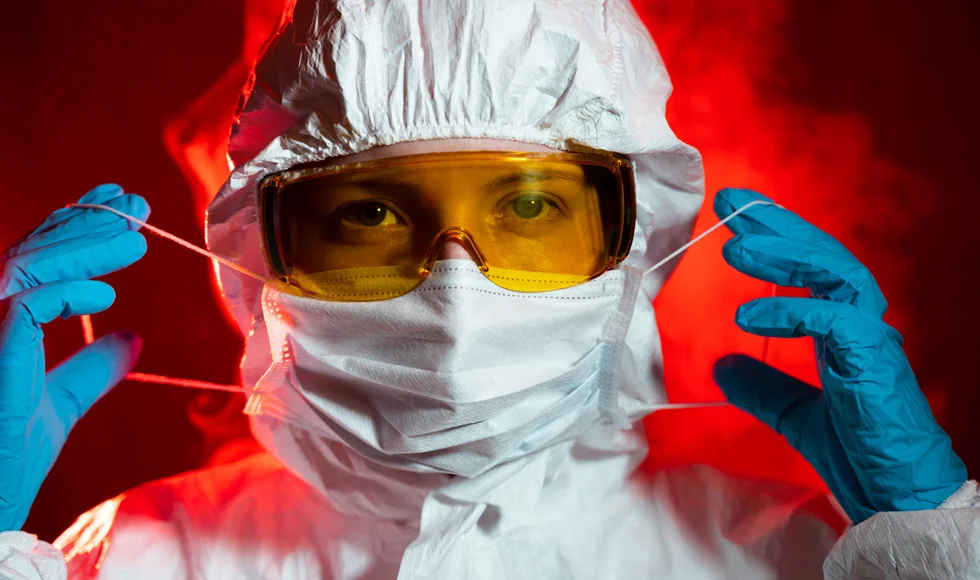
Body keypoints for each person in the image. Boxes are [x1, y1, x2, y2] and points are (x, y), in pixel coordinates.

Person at [1, 1, 977, 578]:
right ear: (259, 256)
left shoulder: (797, 557)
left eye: (528, 207)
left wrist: (934, 543)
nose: (455, 296)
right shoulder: (138, 558)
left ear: (638, 241)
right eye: (370, 214)